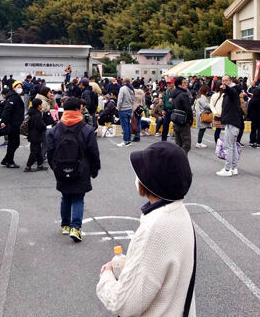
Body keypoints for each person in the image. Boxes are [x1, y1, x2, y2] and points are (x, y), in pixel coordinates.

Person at [96, 142, 196, 316]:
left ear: (152, 182)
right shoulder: (179, 212)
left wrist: (106, 276)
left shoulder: (155, 228)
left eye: (141, 173)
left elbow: (123, 304)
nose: (137, 177)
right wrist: (131, 263)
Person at [46, 97, 100, 242]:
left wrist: (54, 167)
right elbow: (93, 152)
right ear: (78, 109)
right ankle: (75, 227)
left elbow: (50, 151)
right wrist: (95, 169)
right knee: (77, 198)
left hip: (61, 168)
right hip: (81, 169)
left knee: (65, 197)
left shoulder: (56, 129)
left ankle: (65, 225)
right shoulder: (86, 129)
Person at [216, 75, 242, 177]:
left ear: (230, 81)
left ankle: (227, 169)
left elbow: (232, 92)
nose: (223, 82)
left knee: (229, 146)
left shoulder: (233, 90)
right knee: (233, 146)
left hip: (232, 122)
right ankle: (234, 168)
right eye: (222, 81)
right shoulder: (231, 91)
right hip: (232, 121)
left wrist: (226, 88)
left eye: (226, 80)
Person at [0, 80, 25, 168]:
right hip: (13, 123)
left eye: (21, 87)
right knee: (14, 143)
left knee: (13, 143)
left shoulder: (14, 96)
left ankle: (6, 159)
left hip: (15, 123)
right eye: (18, 87)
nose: (20, 88)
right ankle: (9, 161)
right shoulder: (13, 97)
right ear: (14, 88)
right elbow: (8, 110)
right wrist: (4, 121)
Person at [170, 76, 193, 154]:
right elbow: (188, 109)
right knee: (186, 145)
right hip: (184, 121)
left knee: (178, 144)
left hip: (176, 120)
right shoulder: (183, 95)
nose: (186, 84)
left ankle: (176, 160)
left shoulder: (174, 94)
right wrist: (190, 120)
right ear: (179, 85)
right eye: (184, 83)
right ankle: (181, 160)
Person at [24, 98, 48, 172]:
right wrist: (44, 126)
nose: (42, 106)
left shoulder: (31, 112)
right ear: (38, 106)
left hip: (32, 134)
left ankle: (40, 165)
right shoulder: (37, 114)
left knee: (38, 151)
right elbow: (39, 125)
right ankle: (28, 166)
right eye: (41, 104)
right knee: (34, 151)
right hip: (36, 135)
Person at [116, 78, 135, 147]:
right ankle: (129, 140)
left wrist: (118, 107)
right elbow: (133, 100)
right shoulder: (132, 89)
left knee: (124, 126)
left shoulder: (122, 89)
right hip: (129, 108)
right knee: (128, 125)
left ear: (124, 82)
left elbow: (120, 100)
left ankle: (125, 141)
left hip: (123, 109)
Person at [210, 79, 225, 143]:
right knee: (227, 130)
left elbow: (211, 105)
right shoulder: (226, 95)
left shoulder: (214, 95)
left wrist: (215, 112)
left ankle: (217, 143)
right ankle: (226, 143)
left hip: (218, 115)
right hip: (225, 115)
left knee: (217, 130)